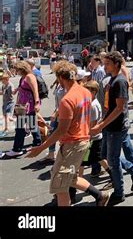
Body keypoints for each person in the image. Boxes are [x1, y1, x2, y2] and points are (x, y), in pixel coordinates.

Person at [26, 61, 110, 207]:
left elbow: (61, 130)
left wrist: (41, 148)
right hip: (83, 140)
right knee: (70, 178)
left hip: (72, 144)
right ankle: (100, 195)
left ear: (60, 78)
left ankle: (96, 197)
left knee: (60, 184)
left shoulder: (67, 100)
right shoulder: (85, 92)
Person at [90, 51, 133, 206]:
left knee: (112, 159)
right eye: (104, 63)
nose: (104, 66)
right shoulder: (112, 79)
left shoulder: (119, 81)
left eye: (107, 63)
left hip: (116, 127)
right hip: (108, 124)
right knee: (105, 154)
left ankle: (119, 192)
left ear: (116, 64)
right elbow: (109, 105)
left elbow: (120, 108)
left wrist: (101, 124)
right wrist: (102, 121)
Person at [1, 61, 42, 158]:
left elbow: (35, 91)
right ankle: (37, 142)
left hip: (28, 105)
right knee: (32, 124)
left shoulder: (29, 76)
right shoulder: (24, 77)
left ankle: (17, 149)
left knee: (19, 127)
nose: (16, 71)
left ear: (21, 69)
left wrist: (37, 103)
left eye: (17, 69)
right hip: (23, 105)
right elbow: (24, 88)